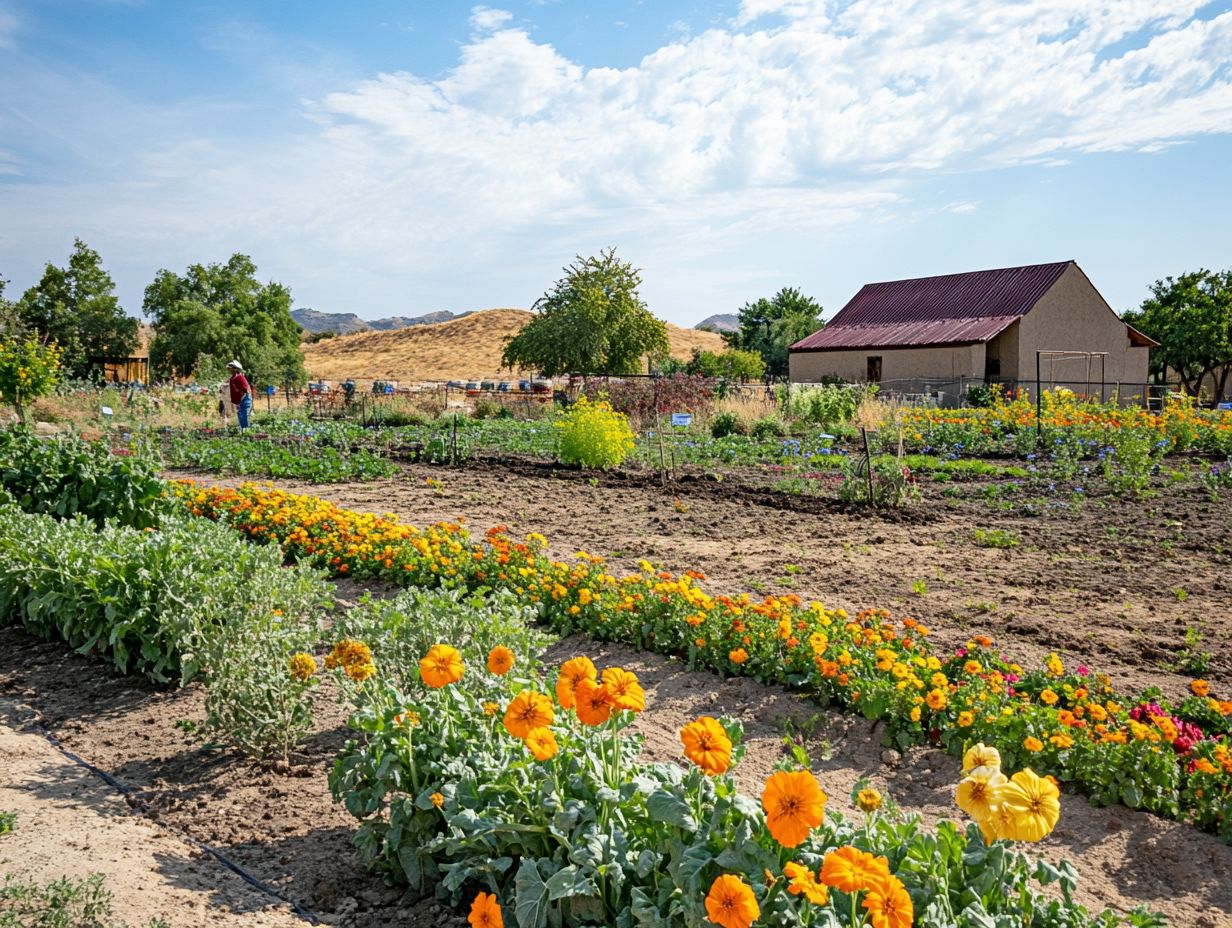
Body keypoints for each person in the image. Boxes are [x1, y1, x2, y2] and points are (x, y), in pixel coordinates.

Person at [227, 360, 253, 429]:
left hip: (245, 399)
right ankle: (244, 430)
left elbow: (246, 389)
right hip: (240, 400)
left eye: (231, 368)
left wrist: (242, 399)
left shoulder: (240, 377)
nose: (229, 370)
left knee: (244, 415)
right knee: (240, 414)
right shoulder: (232, 378)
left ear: (235, 369)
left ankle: (247, 431)